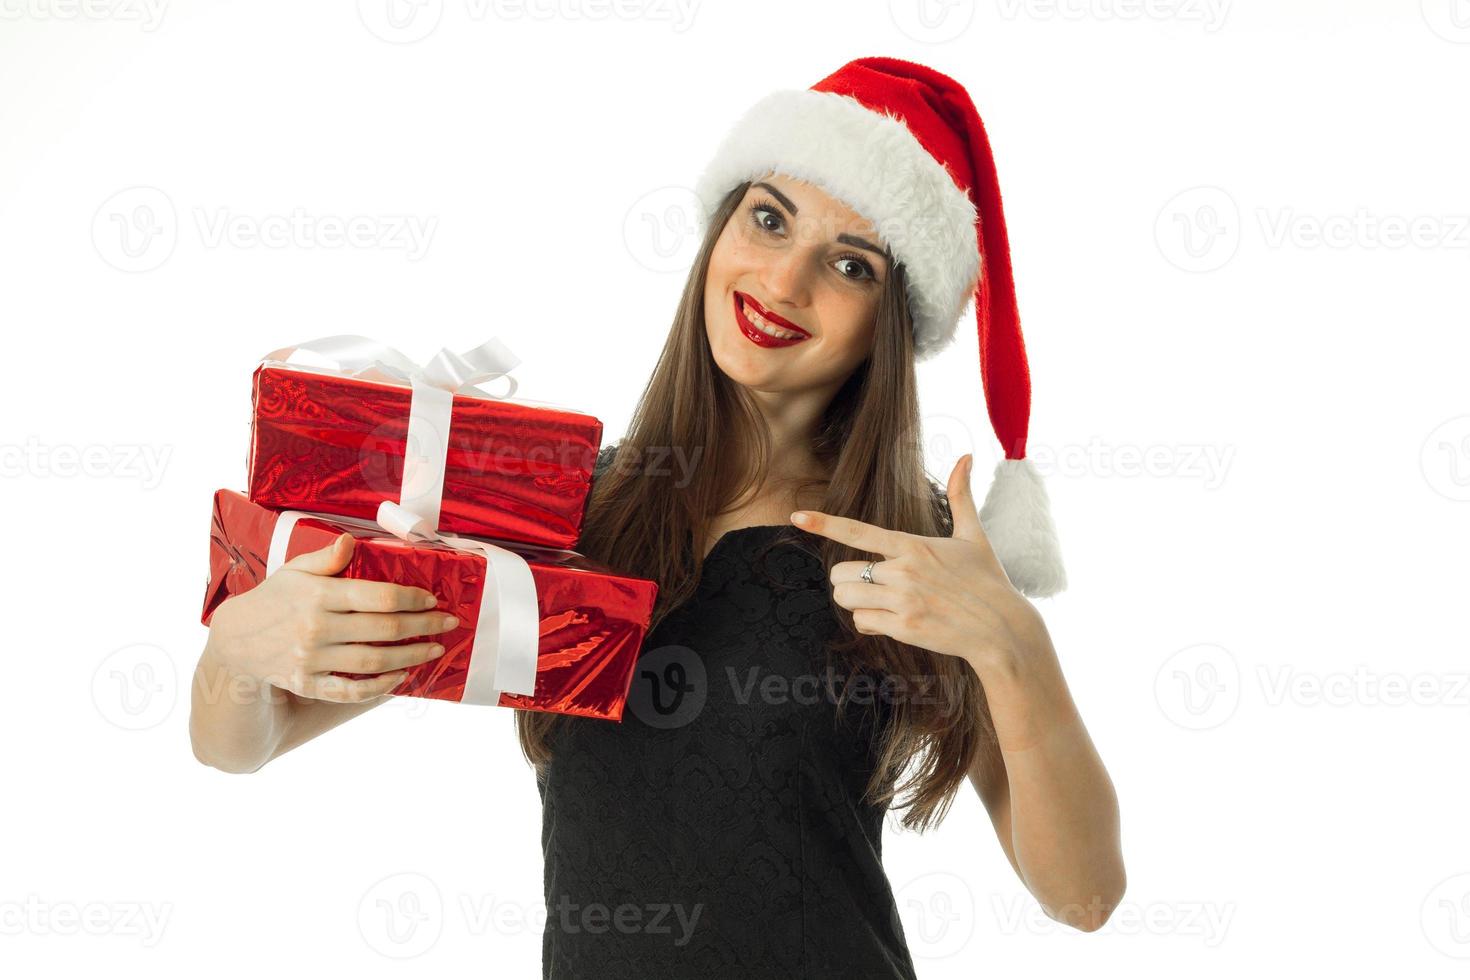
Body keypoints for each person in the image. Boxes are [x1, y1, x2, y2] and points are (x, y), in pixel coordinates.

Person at [190, 56, 1124, 979]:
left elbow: (1084, 896)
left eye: (849, 264)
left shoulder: (917, 555)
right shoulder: (568, 509)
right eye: (768, 219)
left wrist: (1016, 644)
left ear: (892, 317)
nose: (785, 282)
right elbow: (244, 743)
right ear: (720, 230)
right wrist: (238, 651)